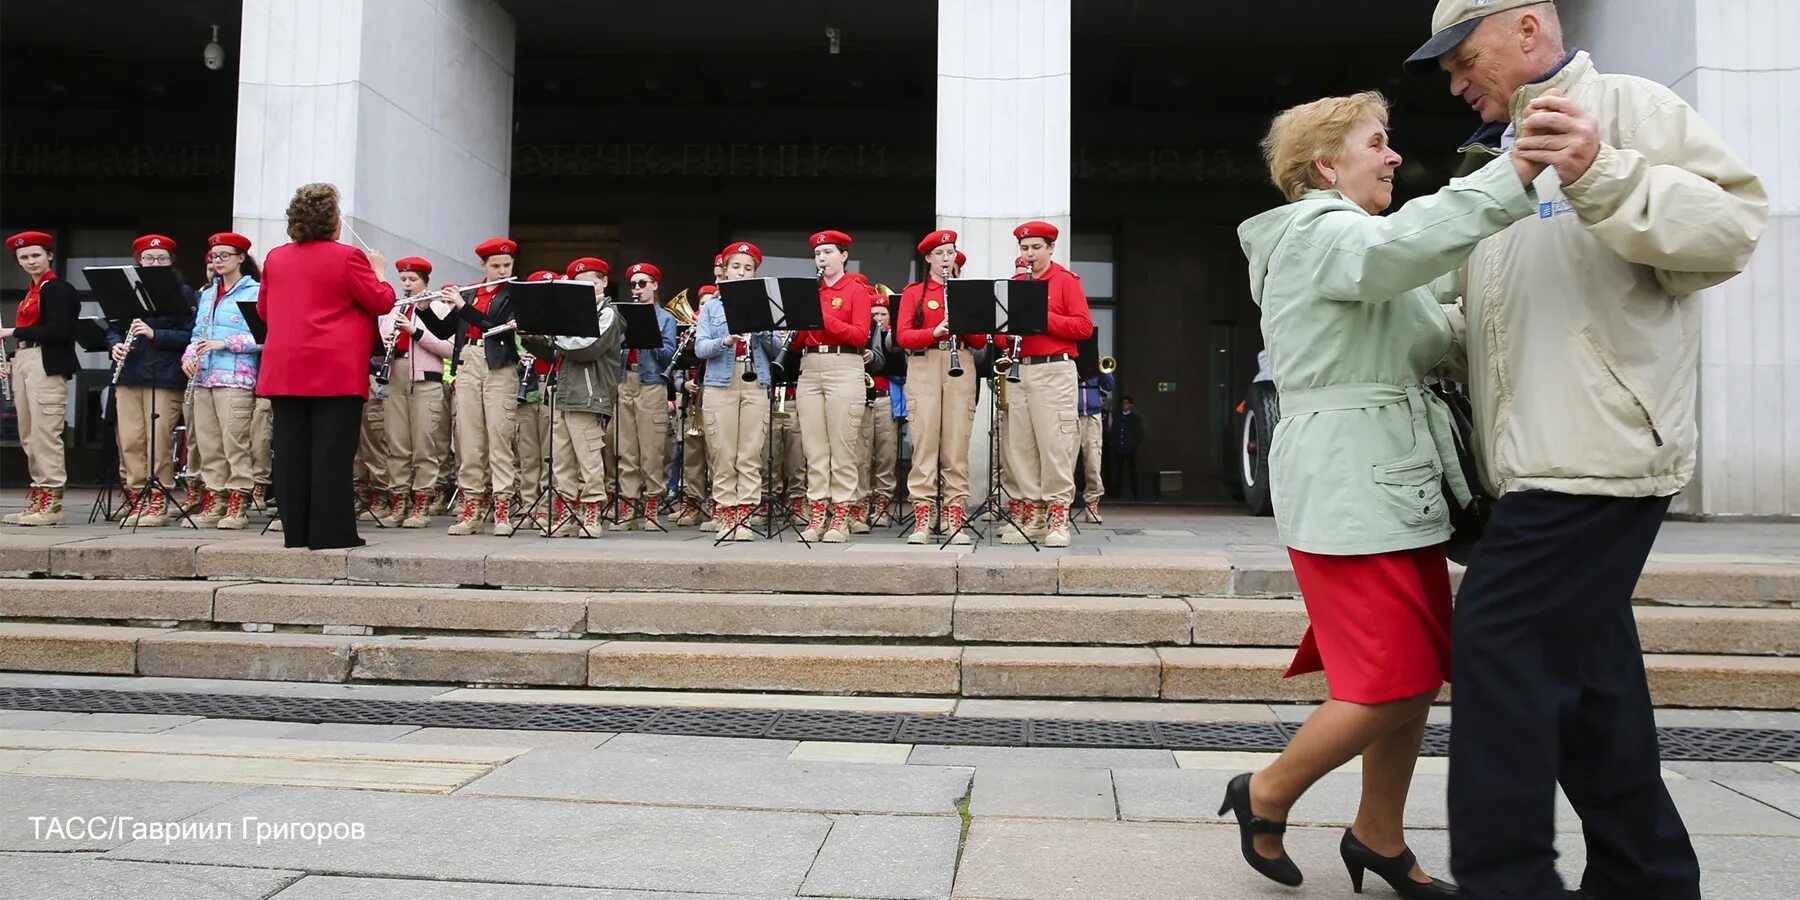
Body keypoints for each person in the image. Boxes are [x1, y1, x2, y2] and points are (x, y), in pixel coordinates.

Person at [1403, 3, 1768, 898]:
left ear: (1528, 27)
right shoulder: (1488, 160)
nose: (1454, 81)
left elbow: (1729, 234)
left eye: (1463, 56)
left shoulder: (1630, 108)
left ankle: (1507, 882)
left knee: (1497, 646)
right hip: (1531, 462)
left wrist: (1601, 168)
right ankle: (1648, 877)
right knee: (1594, 686)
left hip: (1596, 454)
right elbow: (1470, 320)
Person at [1223, 88, 1553, 898]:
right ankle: (1264, 793)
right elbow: (1404, 248)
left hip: (1387, 480)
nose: (1395, 155)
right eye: (1378, 142)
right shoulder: (1320, 231)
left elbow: (1431, 325)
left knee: (1410, 670)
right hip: (1350, 479)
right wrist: (1513, 172)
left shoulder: (1355, 242)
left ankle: (1378, 836)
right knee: (1397, 679)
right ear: (1326, 165)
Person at [255, 182, 395, 550]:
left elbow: (263, 311)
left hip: (285, 368)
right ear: (334, 222)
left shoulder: (276, 257)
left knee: (290, 452)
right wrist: (379, 270)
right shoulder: (348, 257)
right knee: (331, 453)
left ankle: (296, 532)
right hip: (334, 369)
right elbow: (380, 301)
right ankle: (330, 532)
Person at [1000, 221, 1093, 547]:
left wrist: (1039, 317)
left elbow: (1083, 327)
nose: (1029, 254)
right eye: (1025, 249)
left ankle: (1058, 517)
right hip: (1020, 369)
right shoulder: (1012, 284)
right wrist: (1004, 333)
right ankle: (1034, 515)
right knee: (1021, 447)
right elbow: (999, 334)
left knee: (1055, 445)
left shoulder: (1065, 281)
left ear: (1051, 248)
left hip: (1054, 370)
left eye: (1036, 248)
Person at [520, 257, 622, 537]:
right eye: (579, 284)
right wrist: (531, 336)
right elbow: (557, 353)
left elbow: (587, 347)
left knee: (588, 457)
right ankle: (566, 513)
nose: (586, 287)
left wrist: (551, 335)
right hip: (562, 392)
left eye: (591, 281)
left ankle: (591, 513)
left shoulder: (608, 313)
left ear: (603, 282)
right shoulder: (569, 316)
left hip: (588, 394)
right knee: (562, 458)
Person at [896, 229, 986, 544]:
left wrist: (965, 320)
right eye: (940, 254)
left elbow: (979, 341)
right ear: (929, 258)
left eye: (950, 253)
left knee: (956, 445)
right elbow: (903, 336)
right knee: (924, 442)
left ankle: (954, 516)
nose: (946, 259)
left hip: (959, 361)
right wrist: (933, 332)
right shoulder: (912, 292)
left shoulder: (966, 291)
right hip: (924, 363)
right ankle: (923, 515)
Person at [107, 234, 197, 527]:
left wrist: (155, 334)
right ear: (139, 262)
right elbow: (113, 328)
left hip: (164, 375)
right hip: (130, 373)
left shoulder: (183, 293)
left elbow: (190, 336)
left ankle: (158, 496)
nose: (154, 263)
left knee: (158, 439)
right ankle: (136, 494)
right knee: (130, 440)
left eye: (161, 259)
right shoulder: (125, 292)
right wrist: (114, 344)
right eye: (148, 258)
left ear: (171, 262)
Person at [695, 244, 783, 540]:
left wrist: (762, 329)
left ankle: (744, 514)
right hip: (721, 380)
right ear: (725, 270)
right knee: (722, 451)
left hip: (755, 379)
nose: (742, 272)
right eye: (737, 267)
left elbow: (777, 349)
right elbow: (700, 348)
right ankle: (725, 511)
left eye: (748, 268)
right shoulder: (711, 307)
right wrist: (726, 340)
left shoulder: (765, 303)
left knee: (750, 451)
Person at [437, 237, 522, 535]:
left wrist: (462, 306)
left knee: (499, 436)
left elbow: (494, 325)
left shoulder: (515, 293)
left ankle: (502, 508)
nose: (502, 270)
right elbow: (444, 329)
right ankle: (472, 507)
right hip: (468, 362)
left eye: (507, 265)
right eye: (496, 266)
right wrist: (425, 308)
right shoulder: (471, 291)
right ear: (483, 265)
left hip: (498, 364)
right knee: (469, 439)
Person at [180, 231, 263, 529]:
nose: (218, 260)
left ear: (241, 257)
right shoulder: (207, 293)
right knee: (208, 443)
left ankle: (237, 502)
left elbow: (264, 338)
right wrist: (188, 356)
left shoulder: (255, 291)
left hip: (235, 377)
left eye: (224, 255)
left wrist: (225, 343)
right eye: (214, 256)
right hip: (203, 376)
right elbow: (195, 333)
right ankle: (214, 498)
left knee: (234, 442)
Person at [796, 230, 874, 542]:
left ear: (843, 256)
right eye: (818, 254)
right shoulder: (809, 291)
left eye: (828, 252)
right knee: (814, 448)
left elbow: (859, 335)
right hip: (810, 366)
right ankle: (817, 512)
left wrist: (822, 316)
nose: (822, 259)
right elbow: (798, 342)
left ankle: (840, 514)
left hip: (845, 365)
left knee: (842, 446)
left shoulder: (855, 289)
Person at [1, 231, 80, 526]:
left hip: (45, 362)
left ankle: (51, 501)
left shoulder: (56, 288)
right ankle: (38, 494)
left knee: (45, 433)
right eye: (24, 257)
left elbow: (58, 330)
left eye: (36, 255)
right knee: (29, 434)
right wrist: (13, 359)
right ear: (18, 262)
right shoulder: (32, 291)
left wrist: (13, 332)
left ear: (49, 255)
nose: (30, 261)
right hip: (26, 359)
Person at [382, 257, 456, 528]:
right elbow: (381, 339)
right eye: (403, 279)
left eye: (412, 280)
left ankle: (422, 503)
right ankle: (399, 500)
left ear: (425, 281)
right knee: (396, 442)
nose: (407, 285)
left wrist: (415, 332)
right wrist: (387, 340)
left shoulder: (437, 307)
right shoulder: (394, 308)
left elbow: (449, 347)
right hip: (396, 375)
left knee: (425, 444)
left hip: (425, 380)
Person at [611, 262, 679, 530]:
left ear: (655, 285)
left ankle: (652, 503)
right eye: (634, 285)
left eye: (643, 283)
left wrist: (648, 334)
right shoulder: (622, 315)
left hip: (651, 383)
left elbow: (669, 355)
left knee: (652, 449)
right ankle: (629, 506)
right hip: (625, 379)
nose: (637, 289)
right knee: (626, 449)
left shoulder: (666, 318)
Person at [857, 298, 901, 529]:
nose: (878, 318)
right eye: (874, 314)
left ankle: (883, 505)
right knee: (862, 457)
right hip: (863, 397)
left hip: (886, 398)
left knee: (886, 455)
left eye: (883, 314)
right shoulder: (863, 331)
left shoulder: (891, 336)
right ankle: (861, 505)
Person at [1075, 368, 1114, 521]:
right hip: (1071, 413)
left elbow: (1109, 386)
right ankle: (1061, 507)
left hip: (1093, 415)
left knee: (1093, 462)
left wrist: (1102, 371)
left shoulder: (1094, 363)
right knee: (1065, 463)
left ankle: (1092, 504)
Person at [1111, 395, 1143, 499]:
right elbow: (1113, 431)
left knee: (1133, 473)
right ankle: (1116, 495)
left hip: (1130, 450)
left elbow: (1139, 434)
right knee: (1118, 473)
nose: (1124, 405)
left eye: (1126, 403)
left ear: (1131, 405)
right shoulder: (1117, 417)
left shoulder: (1135, 418)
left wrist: (1133, 445)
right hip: (1118, 449)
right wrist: (1114, 443)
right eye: (1123, 403)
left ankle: (1136, 495)